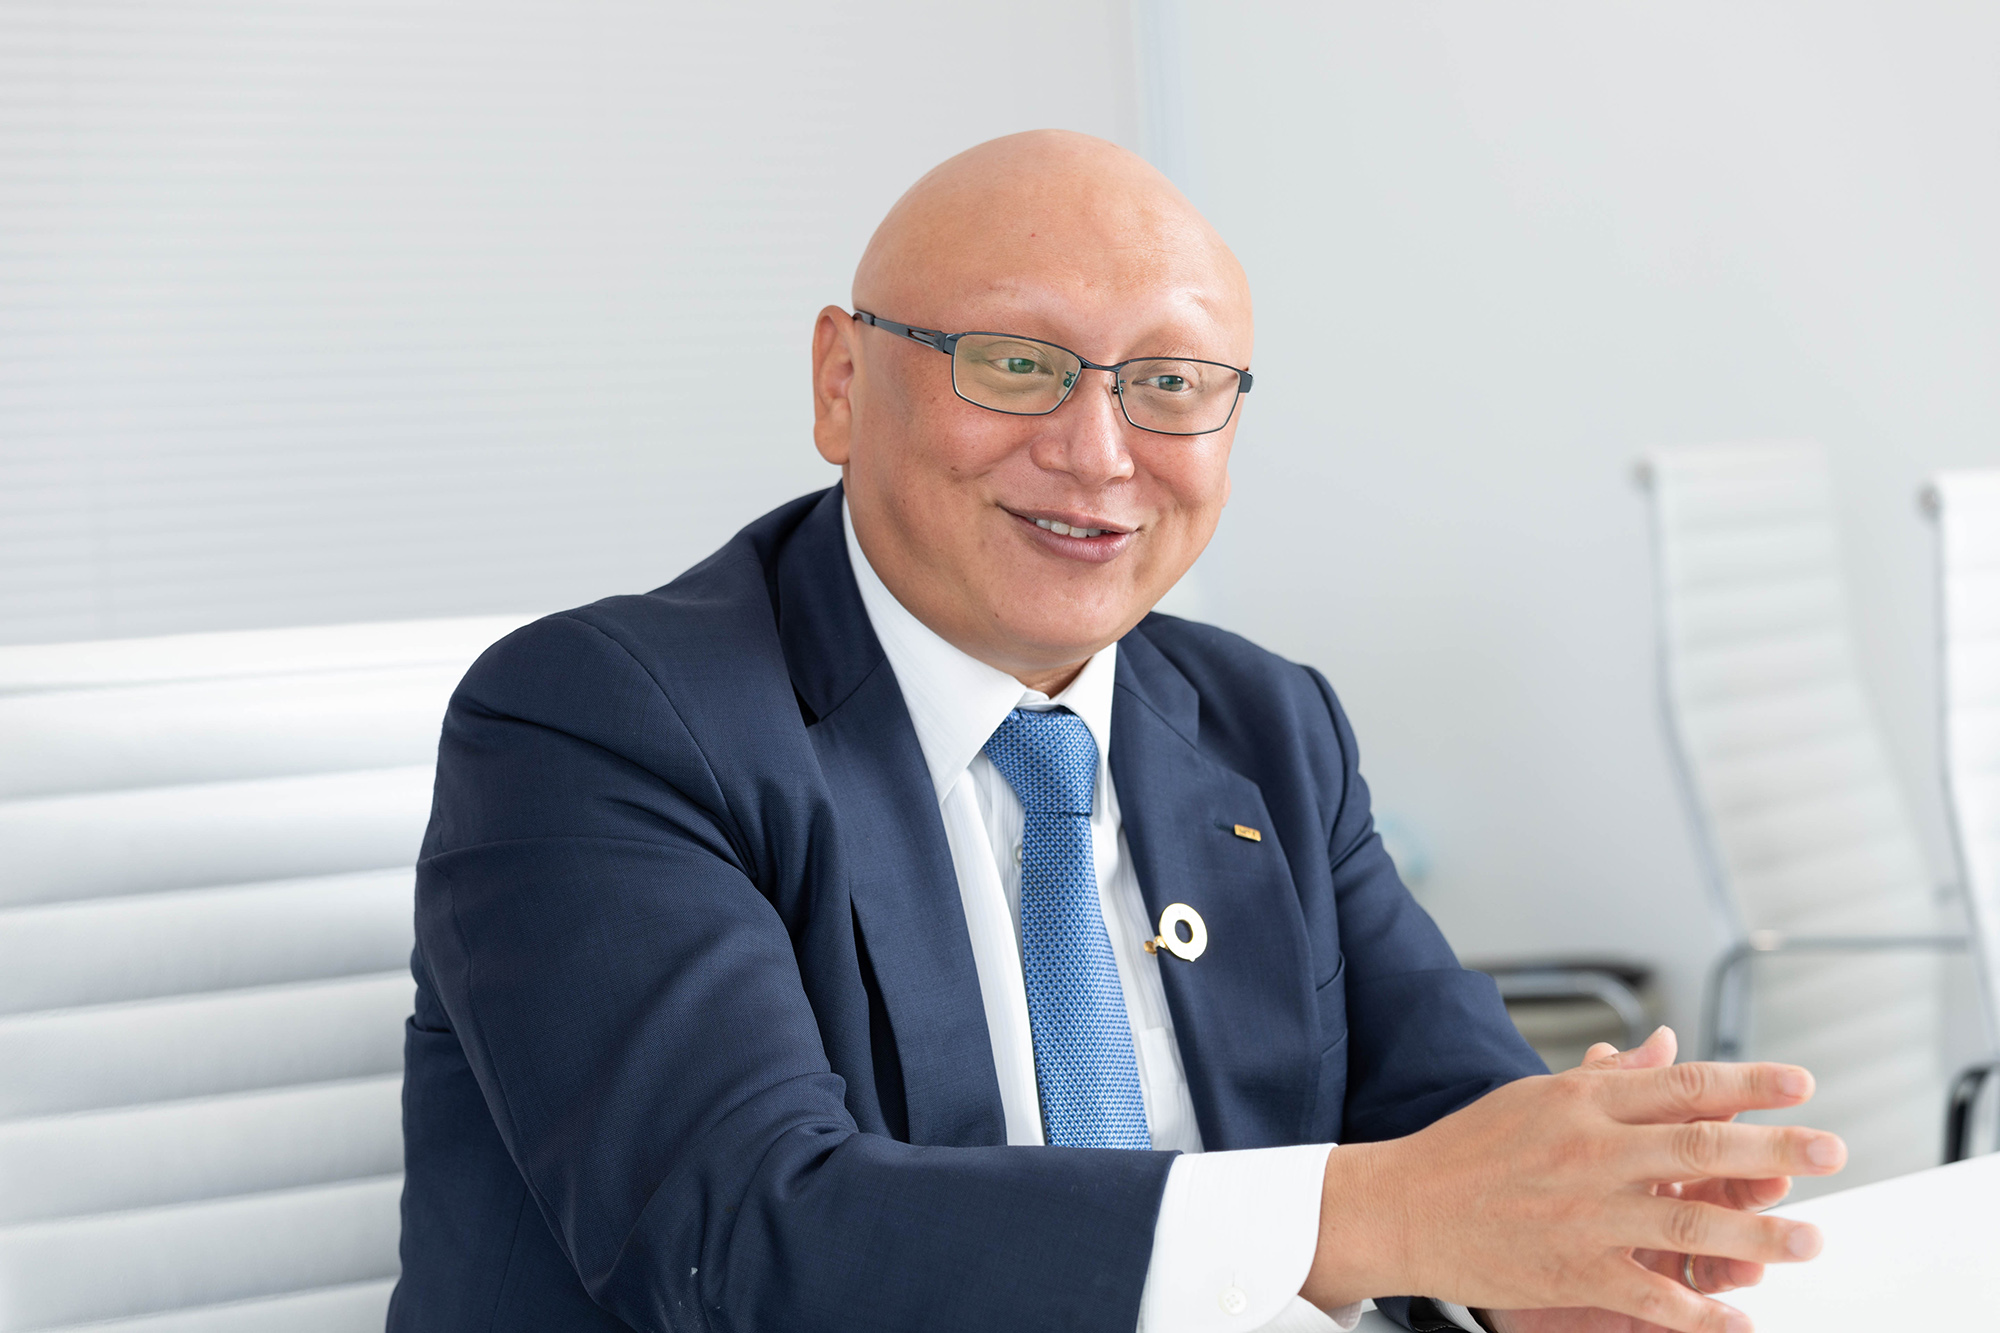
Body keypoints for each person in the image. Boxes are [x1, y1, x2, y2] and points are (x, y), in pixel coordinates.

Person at [389, 131, 1844, 1333]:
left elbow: (1452, 1112)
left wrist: (1554, 1261)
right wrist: (1375, 1215)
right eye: (1014, 362)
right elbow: (749, 1241)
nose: (1096, 452)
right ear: (842, 382)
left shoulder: (1267, 722)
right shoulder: (597, 719)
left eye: (1170, 385)